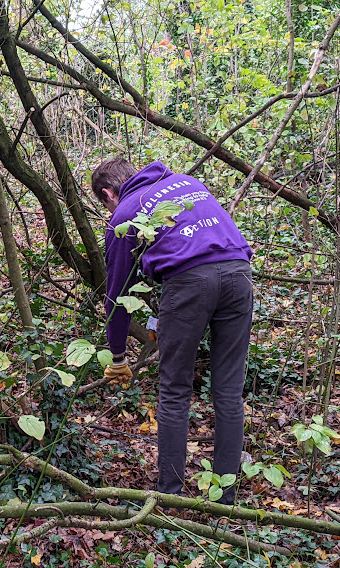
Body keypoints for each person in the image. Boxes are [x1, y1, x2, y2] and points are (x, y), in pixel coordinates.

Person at [91, 158, 253, 504]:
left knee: (175, 389)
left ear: (108, 194)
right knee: (228, 391)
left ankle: (170, 495)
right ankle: (225, 499)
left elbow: (117, 293)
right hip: (239, 274)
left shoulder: (125, 214)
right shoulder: (186, 182)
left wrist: (118, 356)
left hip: (190, 282)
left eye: (105, 205)